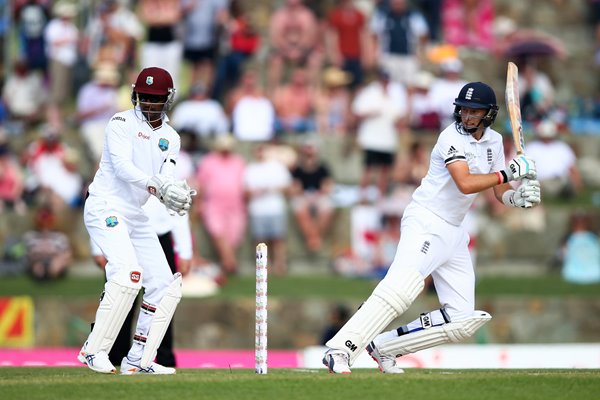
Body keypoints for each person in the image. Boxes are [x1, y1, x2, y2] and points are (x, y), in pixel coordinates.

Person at [322, 81, 541, 374]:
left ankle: (385, 347)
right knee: (402, 288)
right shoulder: (450, 137)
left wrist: (516, 197)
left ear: (488, 114)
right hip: (426, 220)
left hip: (454, 230)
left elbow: (498, 191)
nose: (466, 116)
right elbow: (465, 184)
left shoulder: (494, 142)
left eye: (474, 111)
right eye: (463, 109)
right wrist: (509, 172)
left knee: (462, 320)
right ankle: (340, 349)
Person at [78, 67, 195, 375]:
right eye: (145, 97)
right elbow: (122, 167)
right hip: (106, 205)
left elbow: (166, 177)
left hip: (136, 213)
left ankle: (139, 359)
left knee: (165, 284)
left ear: (168, 99)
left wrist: (173, 193)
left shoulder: (171, 138)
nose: (150, 104)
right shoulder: (120, 123)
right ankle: (94, 350)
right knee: (127, 273)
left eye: (156, 99)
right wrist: (159, 186)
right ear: (135, 95)